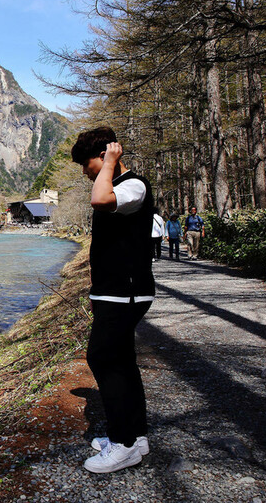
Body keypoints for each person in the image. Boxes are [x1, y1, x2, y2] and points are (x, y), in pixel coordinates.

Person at [71, 127, 154, 474]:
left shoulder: (133, 185)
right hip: (114, 293)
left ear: (104, 156)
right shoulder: (116, 184)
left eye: (87, 163)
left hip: (127, 291)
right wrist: (96, 294)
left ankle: (122, 444)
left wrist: (108, 164)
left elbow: (100, 200)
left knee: (102, 358)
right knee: (122, 362)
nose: (86, 171)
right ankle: (136, 435)